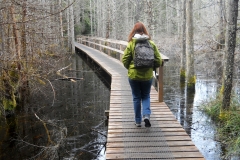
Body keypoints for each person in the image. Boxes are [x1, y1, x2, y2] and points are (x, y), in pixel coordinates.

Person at [122, 22, 162, 127]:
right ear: (144, 30)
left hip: (133, 76)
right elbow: (158, 60)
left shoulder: (131, 43)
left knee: (136, 97)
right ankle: (147, 116)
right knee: (145, 96)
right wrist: (152, 67)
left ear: (134, 31)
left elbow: (125, 59)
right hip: (147, 76)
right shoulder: (151, 43)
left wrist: (130, 68)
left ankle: (138, 121)